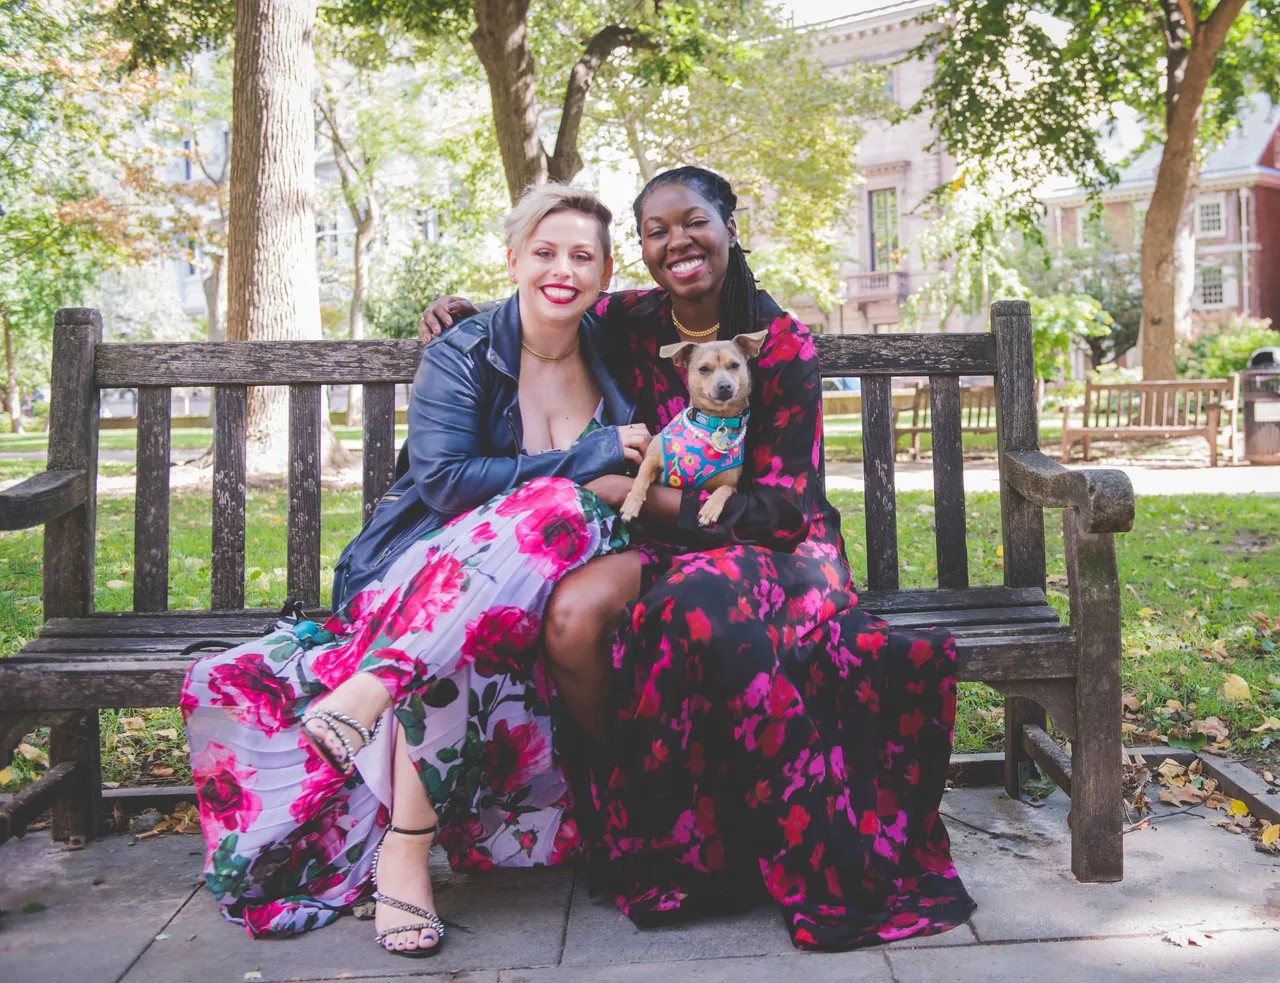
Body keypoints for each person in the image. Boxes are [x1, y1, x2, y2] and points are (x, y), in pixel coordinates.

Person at [419, 166, 976, 951]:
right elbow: (549, 298)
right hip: (659, 539)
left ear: (728, 227)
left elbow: (778, 507)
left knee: (701, 604)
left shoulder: (779, 344)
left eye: (695, 222)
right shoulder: (628, 321)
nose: (676, 240)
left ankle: (758, 845)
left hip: (775, 545)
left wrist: (623, 491)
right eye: (656, 229)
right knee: (592, 613)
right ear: (640, 250)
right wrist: (470, 316)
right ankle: (649, 822)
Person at [181, 185, 655, 957]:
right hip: (442, 571)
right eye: (544, 252)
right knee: (490, 585)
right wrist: (588, 456)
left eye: (582, 256)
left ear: (607, 273)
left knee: (555, 509)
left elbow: (700, 282)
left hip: (564, 573)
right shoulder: (466, 351)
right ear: (513, 258)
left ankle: (372, 692)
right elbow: (443, 482)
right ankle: (404, 848)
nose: (562, 269)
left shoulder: (619, 340)